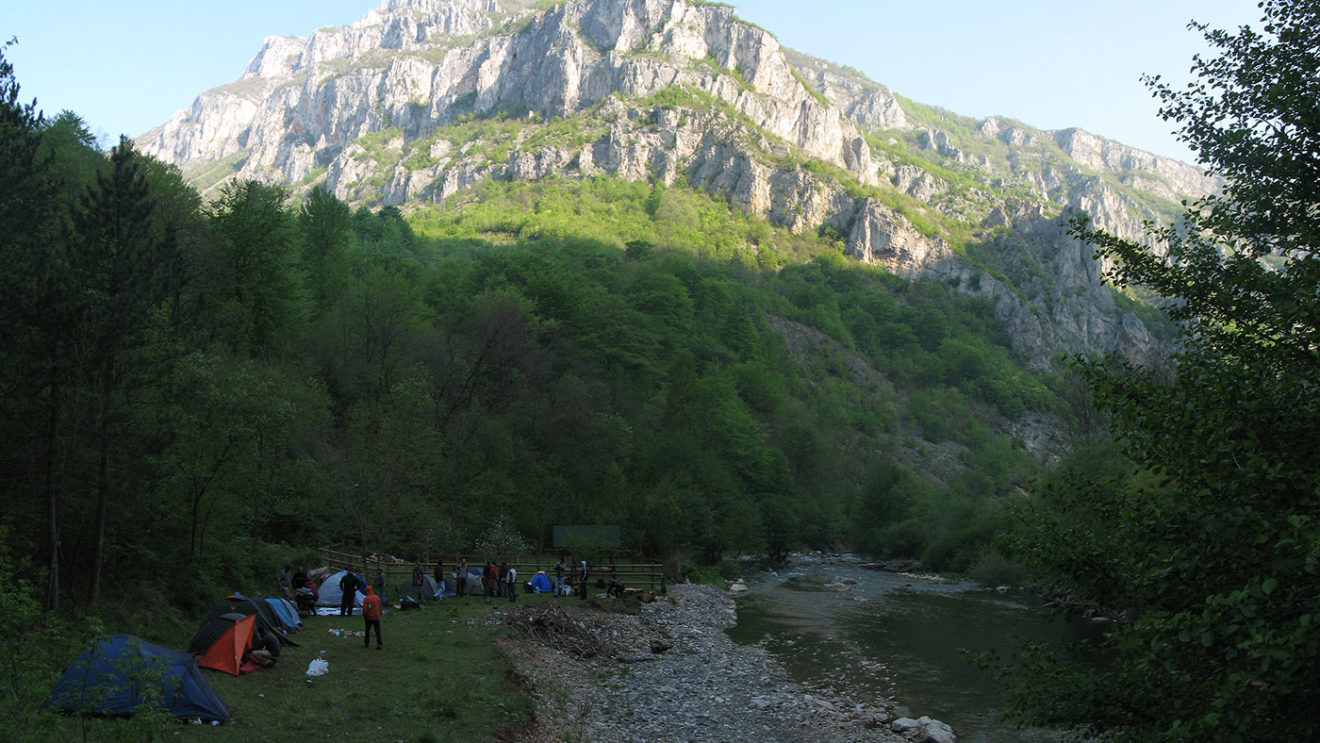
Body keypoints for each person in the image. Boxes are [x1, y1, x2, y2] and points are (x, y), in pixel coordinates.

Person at [361, 585, 383, 650]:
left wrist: (365, 615)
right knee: (377, 630)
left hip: (369, 617)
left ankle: (366, 643)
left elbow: (365, 609)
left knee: (367, 630)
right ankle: (379, 644)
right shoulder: (377, 597)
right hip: (376, 616)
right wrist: (380, 612)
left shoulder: (366, 599)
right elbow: (380, 606)